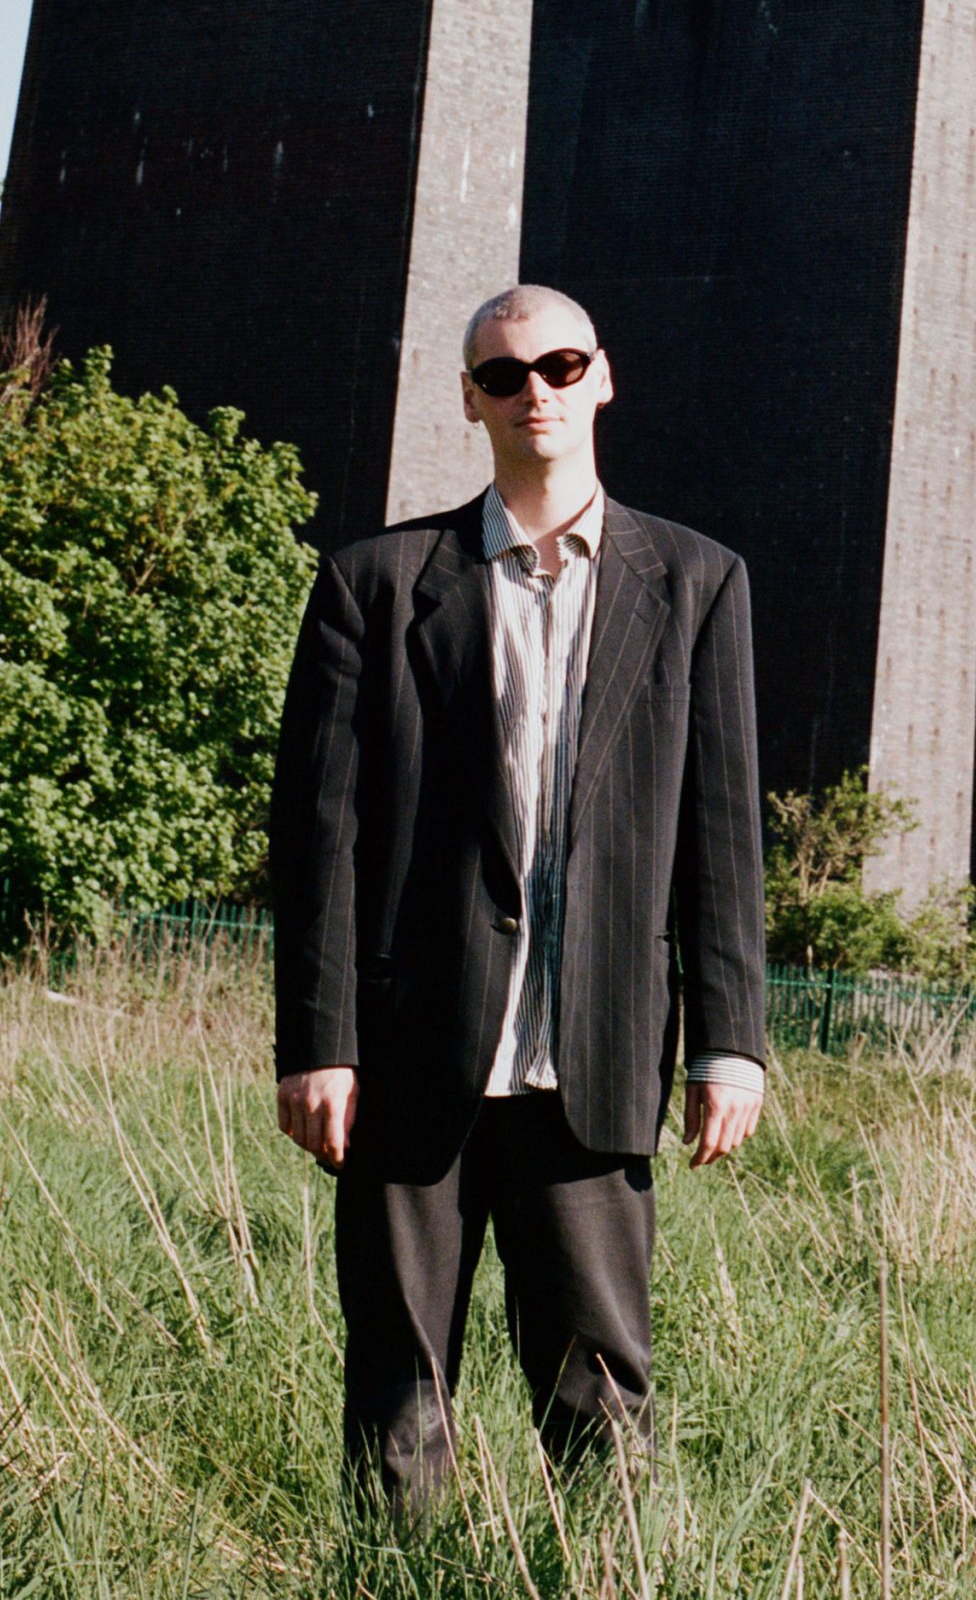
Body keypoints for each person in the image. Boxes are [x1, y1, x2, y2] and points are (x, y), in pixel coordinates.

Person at [269, 285, 770, 1509]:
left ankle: (599, 1580)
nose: (532, 391)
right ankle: (394, 1585)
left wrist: (730, 1045)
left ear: (603, 377)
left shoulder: (697, 581)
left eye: (558, 366)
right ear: (469, 401)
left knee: (601, 1398)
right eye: (502, 375)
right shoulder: (376, 582)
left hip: (591, 1055)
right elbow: (320, 836)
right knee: (397, 1396)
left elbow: (721, 833)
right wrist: (319, 1041)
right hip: (407, 1059)